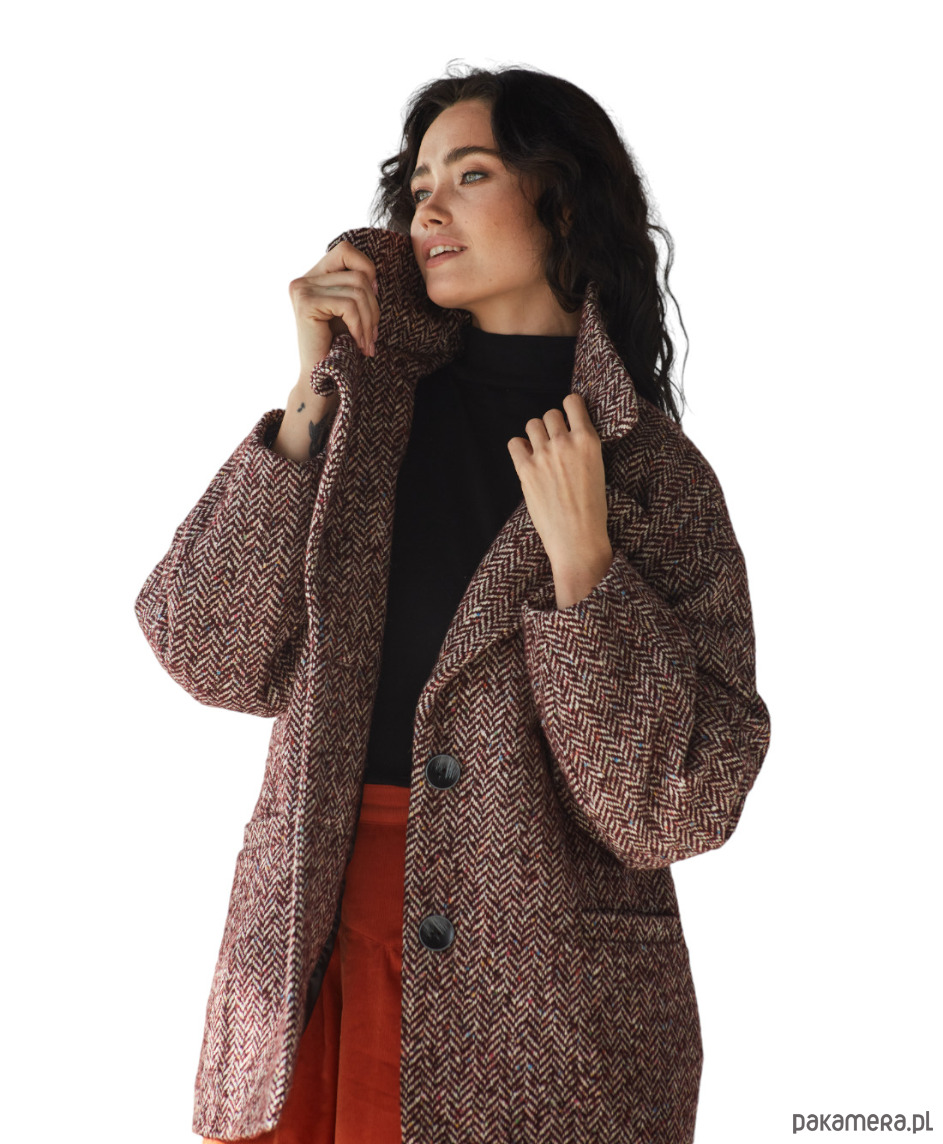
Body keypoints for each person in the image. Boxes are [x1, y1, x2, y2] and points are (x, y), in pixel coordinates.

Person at [137, 63, 771, 1144]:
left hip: (544, 996)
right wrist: (307, 404)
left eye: (469, 174)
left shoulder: (652, 476)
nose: (428, 208)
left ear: (562, 201)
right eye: (419, 184)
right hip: (311, 952)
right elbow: (208, 651)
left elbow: (674, 808)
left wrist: (586, 572)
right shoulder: (362, 419)